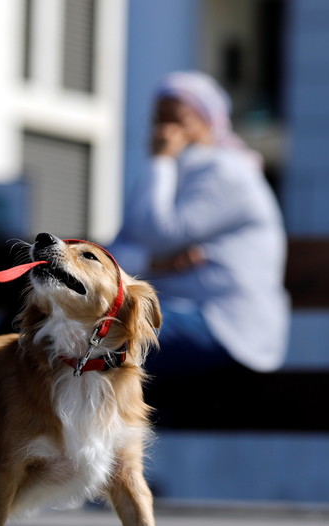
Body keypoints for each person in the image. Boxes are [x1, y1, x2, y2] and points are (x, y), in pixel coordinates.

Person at [110, 71, 290, 379]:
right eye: (158, 120)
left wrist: (160, 161)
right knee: (51, 327)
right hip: (171, 312)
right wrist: (154, 263)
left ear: (208, 121)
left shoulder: (226, 170)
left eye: (178, 120)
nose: (165, 130)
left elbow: (160, 234)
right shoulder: (165, 176)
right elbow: (116, 253)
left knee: (97, 339)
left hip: (224, 324)